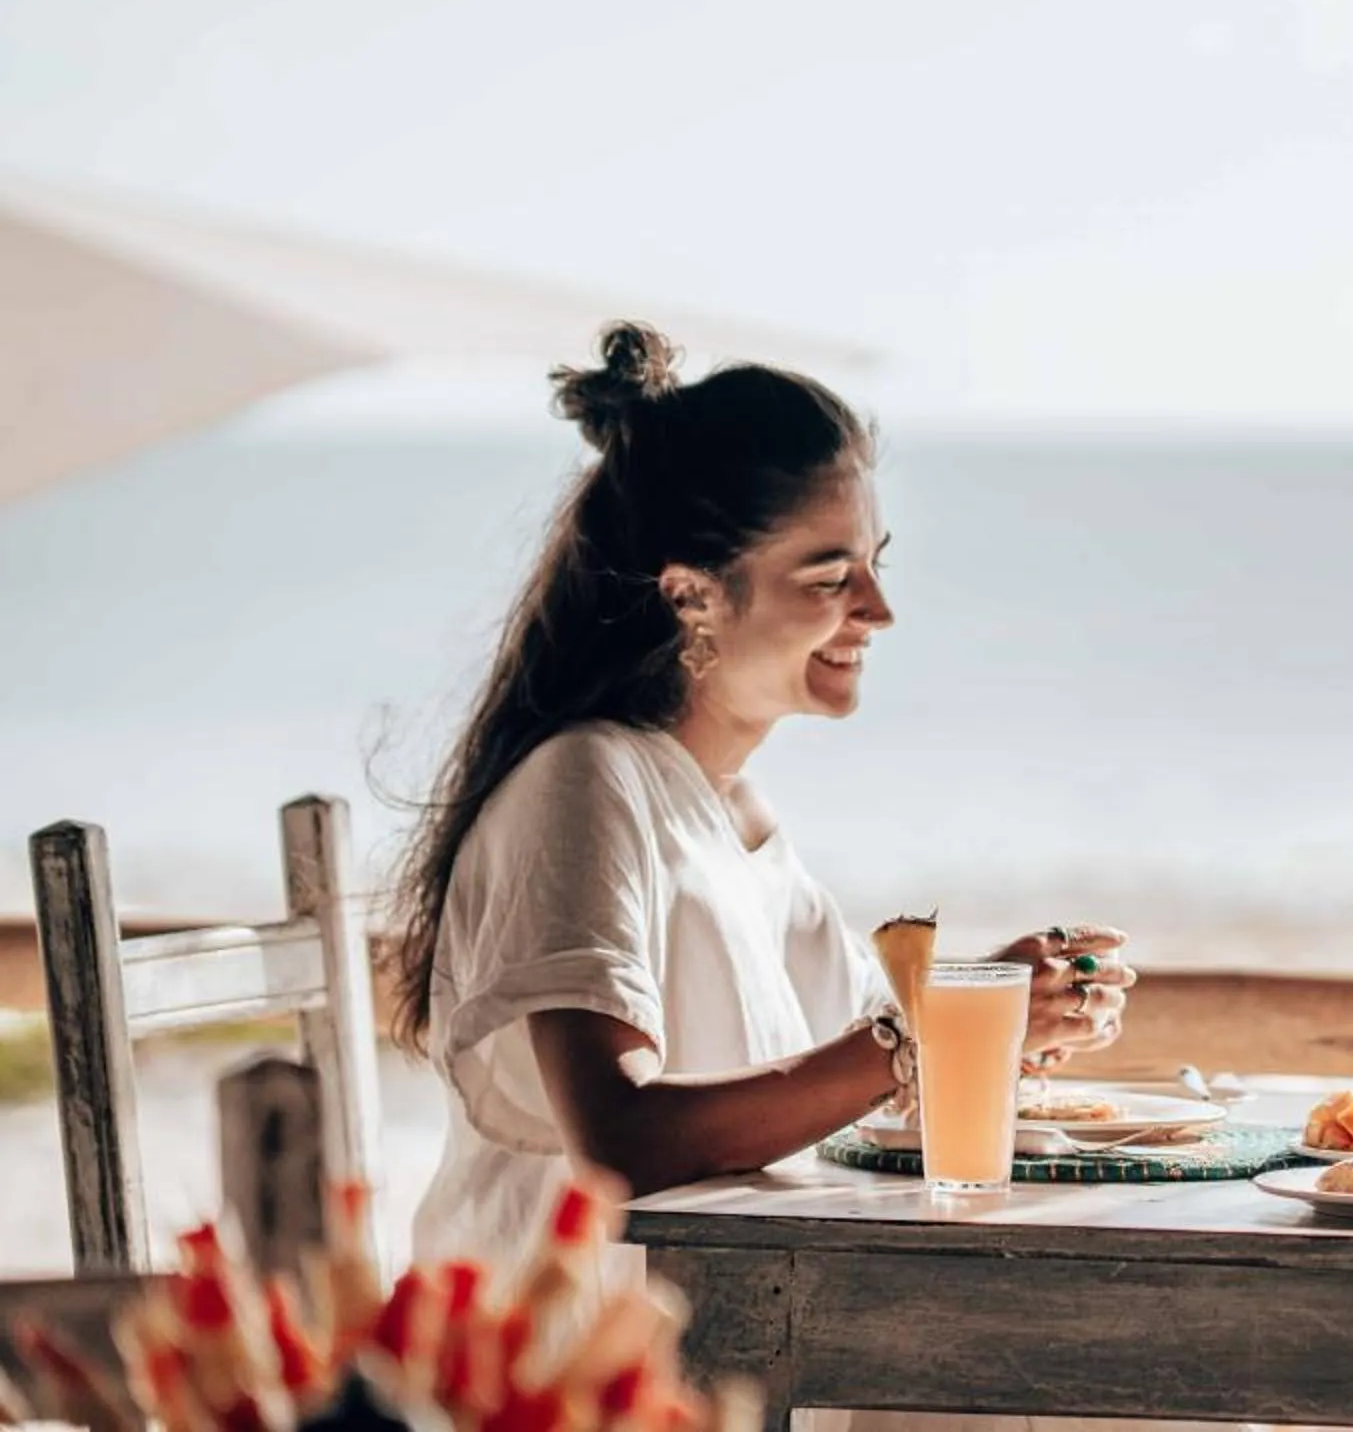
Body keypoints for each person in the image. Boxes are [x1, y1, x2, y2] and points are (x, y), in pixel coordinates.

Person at [391, 323, 1132, 1267]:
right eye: (830, 575)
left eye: (875, 564)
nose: (878, 609)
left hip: (737, 1310)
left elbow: (843, 1083)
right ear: (693, 596)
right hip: (571, 1362)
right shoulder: (585, 782)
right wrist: (929, 1034)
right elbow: (622, 1142)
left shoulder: (734, 812)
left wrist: (1013, 1021)